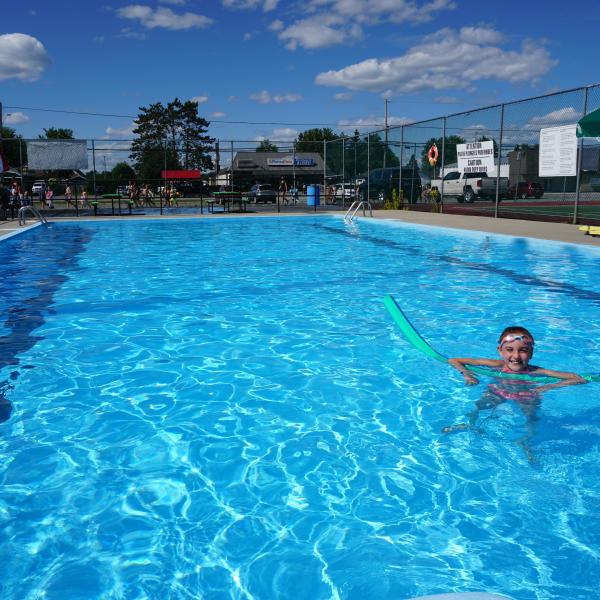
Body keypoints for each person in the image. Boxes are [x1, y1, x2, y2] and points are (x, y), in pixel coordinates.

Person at [444, 326, 587, 460]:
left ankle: (525, 443)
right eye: (509, 349)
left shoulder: (537, 371)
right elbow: (454, 360)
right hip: (498, 391)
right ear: (500, 350)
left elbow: (578, 379)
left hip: (526, 395)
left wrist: (545, 387)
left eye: (523, 350)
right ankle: (469, 425)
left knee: (531, 419)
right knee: (478, 407)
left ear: (531, 353)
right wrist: (468, 374)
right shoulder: (496, 365)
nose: (516, 356)